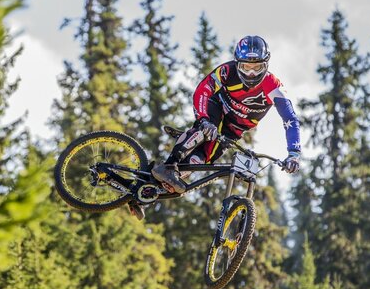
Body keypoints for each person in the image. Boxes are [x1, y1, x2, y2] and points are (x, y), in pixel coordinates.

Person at [129, 35, 301, 220]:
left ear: (265, 65)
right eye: (245, 67)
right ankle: (169, 164)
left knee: (204, 159)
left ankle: (145, 192)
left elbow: (290, 119)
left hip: (233, 129)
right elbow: (203, 90)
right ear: (237, 63)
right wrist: (203, 120)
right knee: (206, 131)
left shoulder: (274, 87)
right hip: (216, 108)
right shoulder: (227, 71)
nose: (251, 74)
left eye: (256, 67)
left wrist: (294, 153)